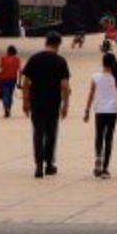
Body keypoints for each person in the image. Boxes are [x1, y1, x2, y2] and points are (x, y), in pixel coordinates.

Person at [20, 32, 73, 177]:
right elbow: (65, 86)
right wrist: (65, 105)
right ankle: (49, 164)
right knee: (51, 133)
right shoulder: (61, 61)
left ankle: (38, 166)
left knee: (38, 132)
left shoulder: (34, 59)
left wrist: (25, 102)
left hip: (36, 102)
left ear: (46, 42)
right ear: (58, 45)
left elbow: (26, 83)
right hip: (53, 102)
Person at [84, 52, 117, 178]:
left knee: (99, 136)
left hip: (99, 111)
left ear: (103, 63)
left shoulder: (96, 77)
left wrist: (87, 110)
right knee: (109, 138)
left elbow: (91, 95)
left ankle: (98, 157)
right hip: (112, 111)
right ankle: (105, 168)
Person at [0, 45, 22, 118]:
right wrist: (19, 82)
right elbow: (20, 71)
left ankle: (6, 108)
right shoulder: (17, 59)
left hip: (3, 78)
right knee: (10, 94)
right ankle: (9, 109)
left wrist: (1, 70)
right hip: (13, 79)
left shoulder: (2, 58)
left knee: (5, 94)